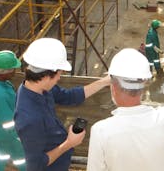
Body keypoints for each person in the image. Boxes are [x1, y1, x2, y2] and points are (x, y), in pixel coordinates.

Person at [14, 38, 110, 171]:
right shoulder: (29, 118)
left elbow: (70, 96)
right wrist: (69, 143)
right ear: (47, 76)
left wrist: (104, 82)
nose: (59, 78)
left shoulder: (40, 88)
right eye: (59, 74)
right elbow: (36, 165)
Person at [0, 50, 26, 171]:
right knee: (21, 157)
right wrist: (18, 136)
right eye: (13, 69)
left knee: (1, 154)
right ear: (5, 72)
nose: (15, 71)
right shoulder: (2, 94)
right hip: (8, 134)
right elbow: (7, 122)